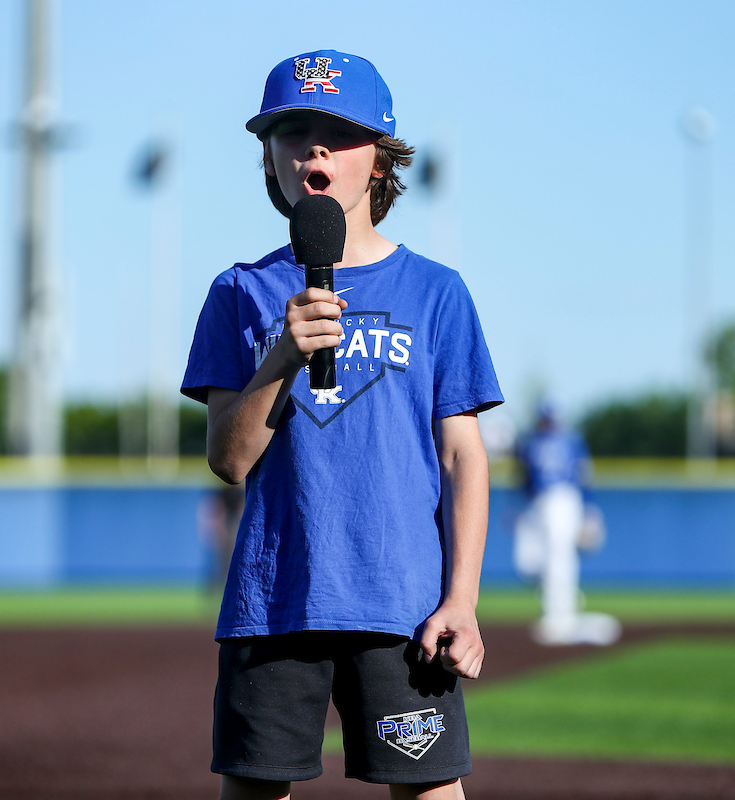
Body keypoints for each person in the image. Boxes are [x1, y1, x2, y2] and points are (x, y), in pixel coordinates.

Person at [181, 50, 503, 800]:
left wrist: (462, 598)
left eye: (338, 133)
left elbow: (463, 458)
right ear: (269, 159)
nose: (313, 149)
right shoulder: (240, 292)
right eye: (292, 131)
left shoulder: (437, 292)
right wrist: (282, 358)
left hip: (403, 603)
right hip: (274, 602)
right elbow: (228, 460)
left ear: (382, 162)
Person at [514, 404, 619, 646]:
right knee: (529, 563)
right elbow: (524, 480)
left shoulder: (572, 442)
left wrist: (590, 511)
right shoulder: (530, 442)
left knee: (559, 559)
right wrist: (519, 507)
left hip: (564, 500)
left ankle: (559, 616)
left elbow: (584, 478)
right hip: (538, 503)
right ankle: (565, 603)